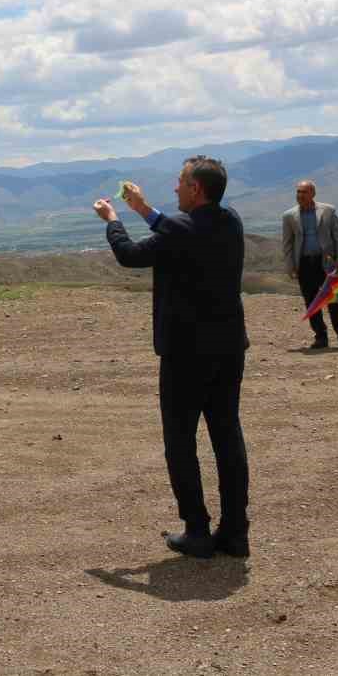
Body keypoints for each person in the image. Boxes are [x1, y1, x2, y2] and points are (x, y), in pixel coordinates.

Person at [94, 156, 250, 560]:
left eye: (181, 182)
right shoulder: (230, 220)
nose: (176, 188)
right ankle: (235, 532)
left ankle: (196, 530)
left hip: (185, 354)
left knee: (180, 441)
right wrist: (142, 208)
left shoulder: (180, 232)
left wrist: (113, 220)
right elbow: (173, 226)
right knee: (227, 436)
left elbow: (129, 255)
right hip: (229, 347)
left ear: (196, 189)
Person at [279, 181, 338, 350]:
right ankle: (320, 337)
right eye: (298, 192)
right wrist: (290, 266)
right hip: (305, 263)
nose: (300, 195)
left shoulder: (328, 210)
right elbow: (287, 243)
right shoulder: (289, 216)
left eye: (303, 192)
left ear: (313, 193)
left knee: (337, 300)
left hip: (328, 262)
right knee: (311, 301)